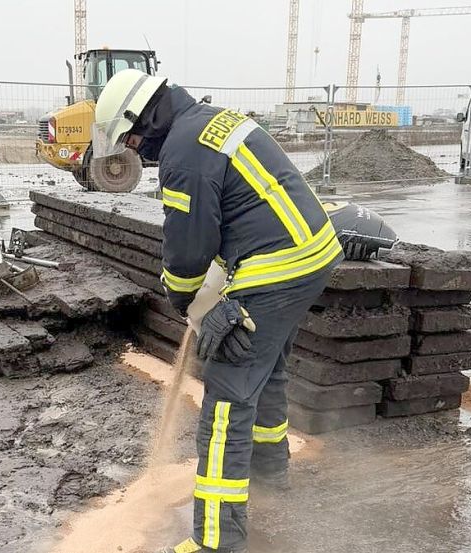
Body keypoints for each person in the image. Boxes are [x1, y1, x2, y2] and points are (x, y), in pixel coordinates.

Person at [92, 69, 343, 553]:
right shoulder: (210, 121)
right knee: (265, 373)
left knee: (226, 399)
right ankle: (270, 478)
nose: (136, 149)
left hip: (276, 270)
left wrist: (186, 300)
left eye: (132, 137)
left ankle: (216, 541)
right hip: (310, 256)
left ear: (146, 117)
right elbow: (239, 212)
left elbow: (188, 247)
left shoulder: (183, 154)